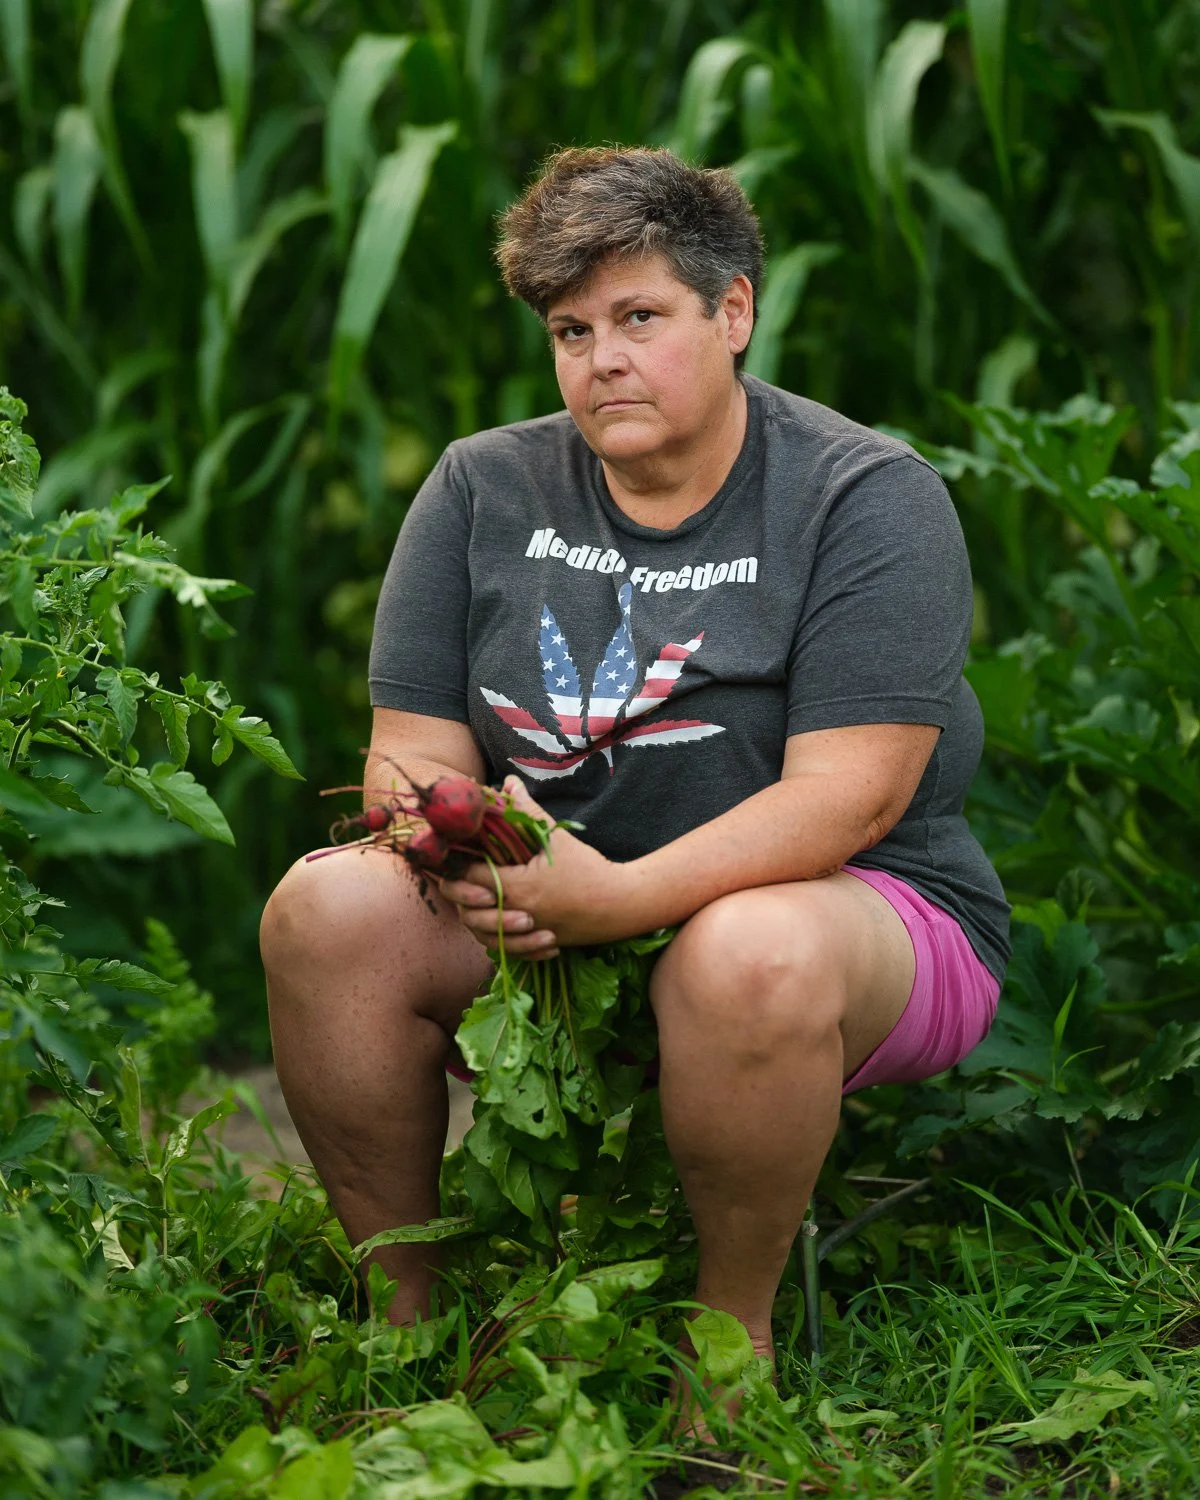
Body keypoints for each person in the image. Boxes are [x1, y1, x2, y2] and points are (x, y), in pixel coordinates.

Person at [259, 146, 1010, 1376]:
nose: (600, 358)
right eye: (570, 328)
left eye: (639, 317)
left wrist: (611, 898)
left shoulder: (865, 495)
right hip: (546, 906)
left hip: (860, 917)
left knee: (743, 953)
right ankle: (408, 1331)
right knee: (324, 909)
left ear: (733, 312)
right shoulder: (481, 486)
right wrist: (462, 855)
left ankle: (731, 1351)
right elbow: (408, 756)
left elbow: (850, 796)